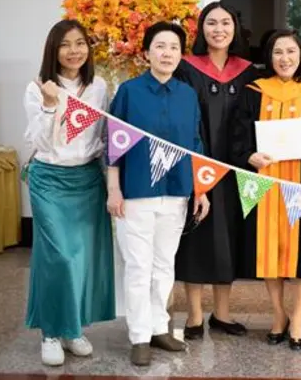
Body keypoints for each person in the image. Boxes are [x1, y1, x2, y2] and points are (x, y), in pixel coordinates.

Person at [107, 22, 211, 367]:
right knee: (138, 265)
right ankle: (138, 336)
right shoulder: (129, 92)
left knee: (165, 265)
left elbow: (196, 145)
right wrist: (114, 189)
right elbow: (114, 145)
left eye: (174, 48)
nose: (167, 53)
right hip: (136, 192)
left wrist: (201, 190)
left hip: (178, 191)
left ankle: (158, 328)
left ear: (181, 55)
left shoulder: (187, 95)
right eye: (160, 46)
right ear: (147, 52)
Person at [230, 29, 301, 351]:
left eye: (291, 51)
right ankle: (278, 316)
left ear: (300, 55)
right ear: (269, 56)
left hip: (300, 188)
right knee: (269, 255)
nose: (285, 58)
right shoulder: (253, 91)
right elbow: (238, 135)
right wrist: (248, 155)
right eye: (278, 52)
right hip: (263, 186)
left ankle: (299, 319)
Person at [23, 19, 115, 366]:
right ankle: (49, 331)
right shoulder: (37, 88)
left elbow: (105, 140)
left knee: (81, 260)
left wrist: (113, 183)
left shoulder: (99, 87)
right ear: (53, 50)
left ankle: (72, 328)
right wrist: (50, 105)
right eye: (65, 44)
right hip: (49, 180)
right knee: (57, 258)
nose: (74, 51)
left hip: (88, 180)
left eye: (80, 43)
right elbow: (43, 141)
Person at [173, 2, 258, 340]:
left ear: (235, 28)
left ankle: (222, 314)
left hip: (238, 169)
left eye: (226, 22)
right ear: (201, 29)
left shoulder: (249, 71)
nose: (219, 29)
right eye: (211, 23)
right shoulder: (186, 68)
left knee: (229, 240)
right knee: (196, 238)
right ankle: (193, 316)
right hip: (198, 164)